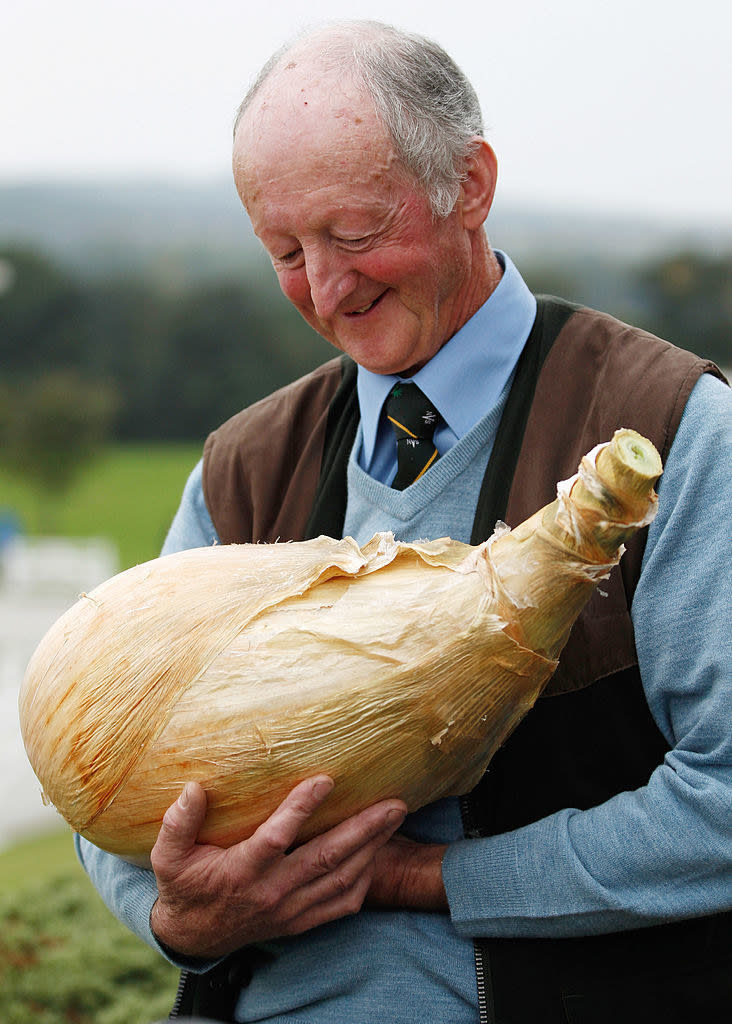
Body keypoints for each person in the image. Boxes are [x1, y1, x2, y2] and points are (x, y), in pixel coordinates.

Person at [77, 20, 731, 1024]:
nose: (328, 288)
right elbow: (106, 771)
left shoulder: (680, 429)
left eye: (353, 233)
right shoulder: (240, 470)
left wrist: (428, 876)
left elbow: (721, 801)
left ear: (469, 183)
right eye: (285, 250)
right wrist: (177, 918)